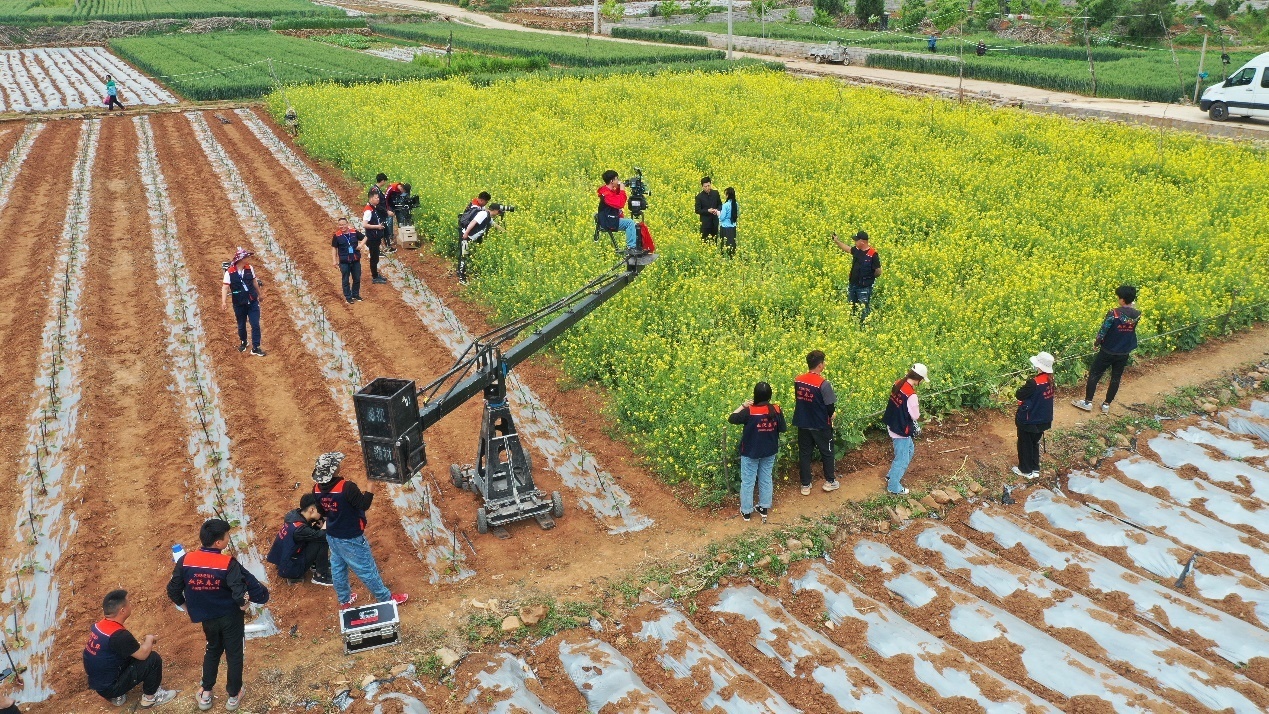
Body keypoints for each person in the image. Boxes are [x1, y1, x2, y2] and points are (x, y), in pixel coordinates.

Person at [167, 519, 270, 712]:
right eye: (227, 537)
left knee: (213, 649)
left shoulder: (185, 560)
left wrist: (185, 606)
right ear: (218, 543)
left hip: (207, 618)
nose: (228, 539)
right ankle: (233, 695)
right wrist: (244, 604)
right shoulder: (227, 563)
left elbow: (173, 590)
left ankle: (206, 692)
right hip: (230, 617)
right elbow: (240, 593)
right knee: (234, 653)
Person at [311, 452, 408, 609]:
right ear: (335, 469)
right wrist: (371, 484)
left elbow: (322, 512)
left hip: (333, 535)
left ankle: (344, 600)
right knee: (366, 570)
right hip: (351, 538)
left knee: (338, 568)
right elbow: (364, 505)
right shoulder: (346, 487)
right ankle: (386, 599)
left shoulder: (316, 489)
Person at [83, 589, 178, 708]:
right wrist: (149, 639)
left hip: (99, 683)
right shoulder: (119, 636)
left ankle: (116, 696)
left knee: (127, 653)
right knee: (153, 659)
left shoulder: (100, 626)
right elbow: (143, 654)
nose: (130, 604)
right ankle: (151, 698)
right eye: (129, 602)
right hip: (110, 688)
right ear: (122, 610)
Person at [1073, 285, 1140, 414]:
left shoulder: (1113, 313)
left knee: (1094, 374)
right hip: (1124, 351)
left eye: (1118, 297)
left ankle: (1087, 402)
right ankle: (1106, 405)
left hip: (1108, 349)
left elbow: (1103, 330)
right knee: (1116, 377)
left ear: (1122, 300)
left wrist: (1096, 343)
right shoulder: (1137, 314)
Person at [728, 382, 785, 523]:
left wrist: (743, 405)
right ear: (770, 396)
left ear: (755, 395)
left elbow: (731, 418)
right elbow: (782, 428)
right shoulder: (776, 409)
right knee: (766, 478)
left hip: (751, 451)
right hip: (769, 450)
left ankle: (746, 512)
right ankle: (764, 508)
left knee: (748, 481)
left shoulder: (750, 411)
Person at [793, 350, 839, 496]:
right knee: (827, 452)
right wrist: (832, 415)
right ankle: (830, 482)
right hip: (820, 424)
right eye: (823, 363)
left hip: (803, 422)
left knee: (805, 453)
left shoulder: (798, 380)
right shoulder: (823, 384)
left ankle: (805, 485)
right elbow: (830, 407)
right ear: (820, 365)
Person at [883, 363, 929, 495]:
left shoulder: (898, 383)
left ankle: (891, 475)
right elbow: (915, 415)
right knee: (901, 458)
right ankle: (893, 486)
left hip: (892, 422)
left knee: (909, 449)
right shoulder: (911, 395)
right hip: (901, 429)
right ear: (919, 379)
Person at [267, 493, 332, 586]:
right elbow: (322, 535)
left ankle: (314, 563)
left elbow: (310, 532)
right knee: (322, 540)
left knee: (316, 531)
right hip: (292, 569)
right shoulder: (300, 529)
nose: (323, 512)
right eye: (321, 509)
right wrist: (328, 522)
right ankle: (321, 576)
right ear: (312, 509)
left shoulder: (293, 515)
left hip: (284, 560)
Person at [1014, 352, 1055, 479]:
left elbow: (1019, 394)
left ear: (1039, 366)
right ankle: (1035, 469)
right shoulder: (1051, 380)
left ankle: (1025, 470)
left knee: (1024, 444)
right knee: (1034, 443)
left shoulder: (1033, 382)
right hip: (1044, 420)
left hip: (1029, 420)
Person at [220, 248, 265, 357]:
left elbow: (254, 281)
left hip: (252, 301)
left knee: (255, 324)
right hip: (239, 303)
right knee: (241, 325)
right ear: (240, 259)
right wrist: (224, 302)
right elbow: (225, 287)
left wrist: (260, 294)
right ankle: (244, 341)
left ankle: (256, 347)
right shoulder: (229, 272)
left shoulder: (250, 268)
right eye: (246, 257)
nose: (248, 259)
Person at [832, 231, 882, 325]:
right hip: (853, 285)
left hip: (864, 287)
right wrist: (837, 241)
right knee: (852, 307)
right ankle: (853, 325)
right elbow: (848, 249)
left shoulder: (873, 254)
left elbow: (878, 271)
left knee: (863, 310)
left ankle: (865, 327)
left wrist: (869, 278)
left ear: (862, 242)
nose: (855, 242)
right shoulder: (857, 250)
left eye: (856, 240)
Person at [456, 202, 505, 284]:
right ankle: (462, 279)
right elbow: (473, 222)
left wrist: (505, 232)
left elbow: (494, 225)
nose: (499, 214)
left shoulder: (488, 217)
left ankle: (460, 272)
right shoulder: (483, 214)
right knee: (463, 256)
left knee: (465, 256)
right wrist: (466, 233)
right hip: (466, 236)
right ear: (495, 210)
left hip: (470, 238)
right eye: (499, 212)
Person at [597, 171, 639, 253]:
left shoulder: (606, 190)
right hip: (608, 221)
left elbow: (614, 195)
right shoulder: (606, 194)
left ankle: (633, 246)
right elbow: (620, 204)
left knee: (631, 223)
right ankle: (631, 248)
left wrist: (620, 187)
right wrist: (622, 190)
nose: (618, 181)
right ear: (612, 181)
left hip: (608, 218)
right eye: (617, 179)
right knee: (630, 223)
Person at [331, 217, 366, 305]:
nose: (342, 226)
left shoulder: (354, 232)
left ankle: (355, 294)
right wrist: (334, 261)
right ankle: (348, 297)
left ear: (347, 224)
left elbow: (365, 237)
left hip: (355, 260)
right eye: (340, 225)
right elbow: (334, 248)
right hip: (344, 262)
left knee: (357, 278)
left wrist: (361, 244)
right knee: (345, 280)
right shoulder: (337, 236)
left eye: (343, 224)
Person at [363, 193, 387, 285]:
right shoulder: (368, 211)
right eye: (376, 198)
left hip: (375, 237)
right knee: (374, 258)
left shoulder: (373, 208)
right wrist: (378, 227)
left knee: (375, 257)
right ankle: (375, 277)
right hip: (372, 237)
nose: (378, 199)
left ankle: (376, 274)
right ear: (371, 198)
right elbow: (365, 224)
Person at [369, 173, 395, 254]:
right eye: (385, 181)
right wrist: (387, 211)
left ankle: (387, 247)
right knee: (380, 231)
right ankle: (378, 250)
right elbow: (376, 204)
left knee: (385, 230)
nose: (385, 183)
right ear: (382, 181)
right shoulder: (375, 190)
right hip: (378, 214)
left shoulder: (375, 189)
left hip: (380, 213)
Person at [695, 177, 722, 245]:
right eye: (705, 186)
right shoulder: (699, 197)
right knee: (704, 243)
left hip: (715, 222)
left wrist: (717, 210)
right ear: (702, 187)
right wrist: (707, 211)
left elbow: (720, 205)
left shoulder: (715, 193)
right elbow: (697, 210)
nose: (707, 188)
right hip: (705, 224)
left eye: (708, 185)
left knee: (714, 242)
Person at [719, 187, 739, 257]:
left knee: (725, 245)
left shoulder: (725, 205)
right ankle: (732, 259)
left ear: (727, 195)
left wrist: (718, 213)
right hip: (733, 228)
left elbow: (722, 218)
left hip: (725, 228)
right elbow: (736, 215)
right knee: (732, 245)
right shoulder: (736, 204)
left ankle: (724, 258)